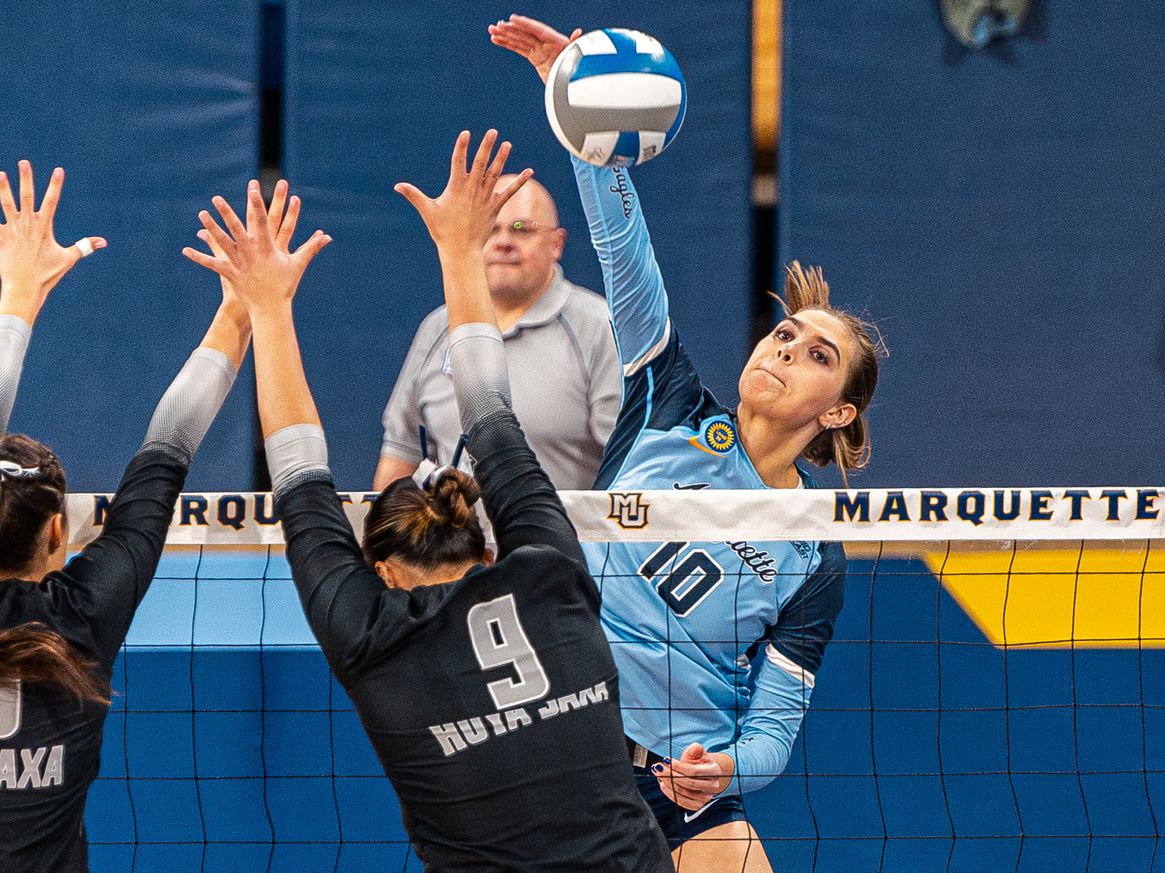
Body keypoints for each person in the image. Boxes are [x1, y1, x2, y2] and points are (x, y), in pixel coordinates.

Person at [185, 132, 673, 872]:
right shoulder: (550, 576)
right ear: (485, 546)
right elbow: (491, 411)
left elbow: (298, 469)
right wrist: (458, 249)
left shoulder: (373, 641)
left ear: (380, 572)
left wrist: (265, 309)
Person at [490, 16, 885, 871]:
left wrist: (725, 768)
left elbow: (774, 730)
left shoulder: (814, 555)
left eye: (817, 355)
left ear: (839, 414)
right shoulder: (668, 401)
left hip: (684, 784)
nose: (784, 349)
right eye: (786, 334)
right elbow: (625, 256)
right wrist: (584, 127)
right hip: (570, 753)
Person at [0, 160, 251, 872]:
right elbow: (166, 450)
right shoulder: (82, 618)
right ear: (58, 530)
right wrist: (243, 310)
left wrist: (18, 290)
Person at [375, 175, 620, 491]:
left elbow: (628, 460)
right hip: (456, 539)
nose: (503, 241)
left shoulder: (598, 326)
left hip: (562, 538)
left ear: (557, 243)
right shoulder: (437, 327)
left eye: (522, 228)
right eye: (490, 228)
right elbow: (402, 450)